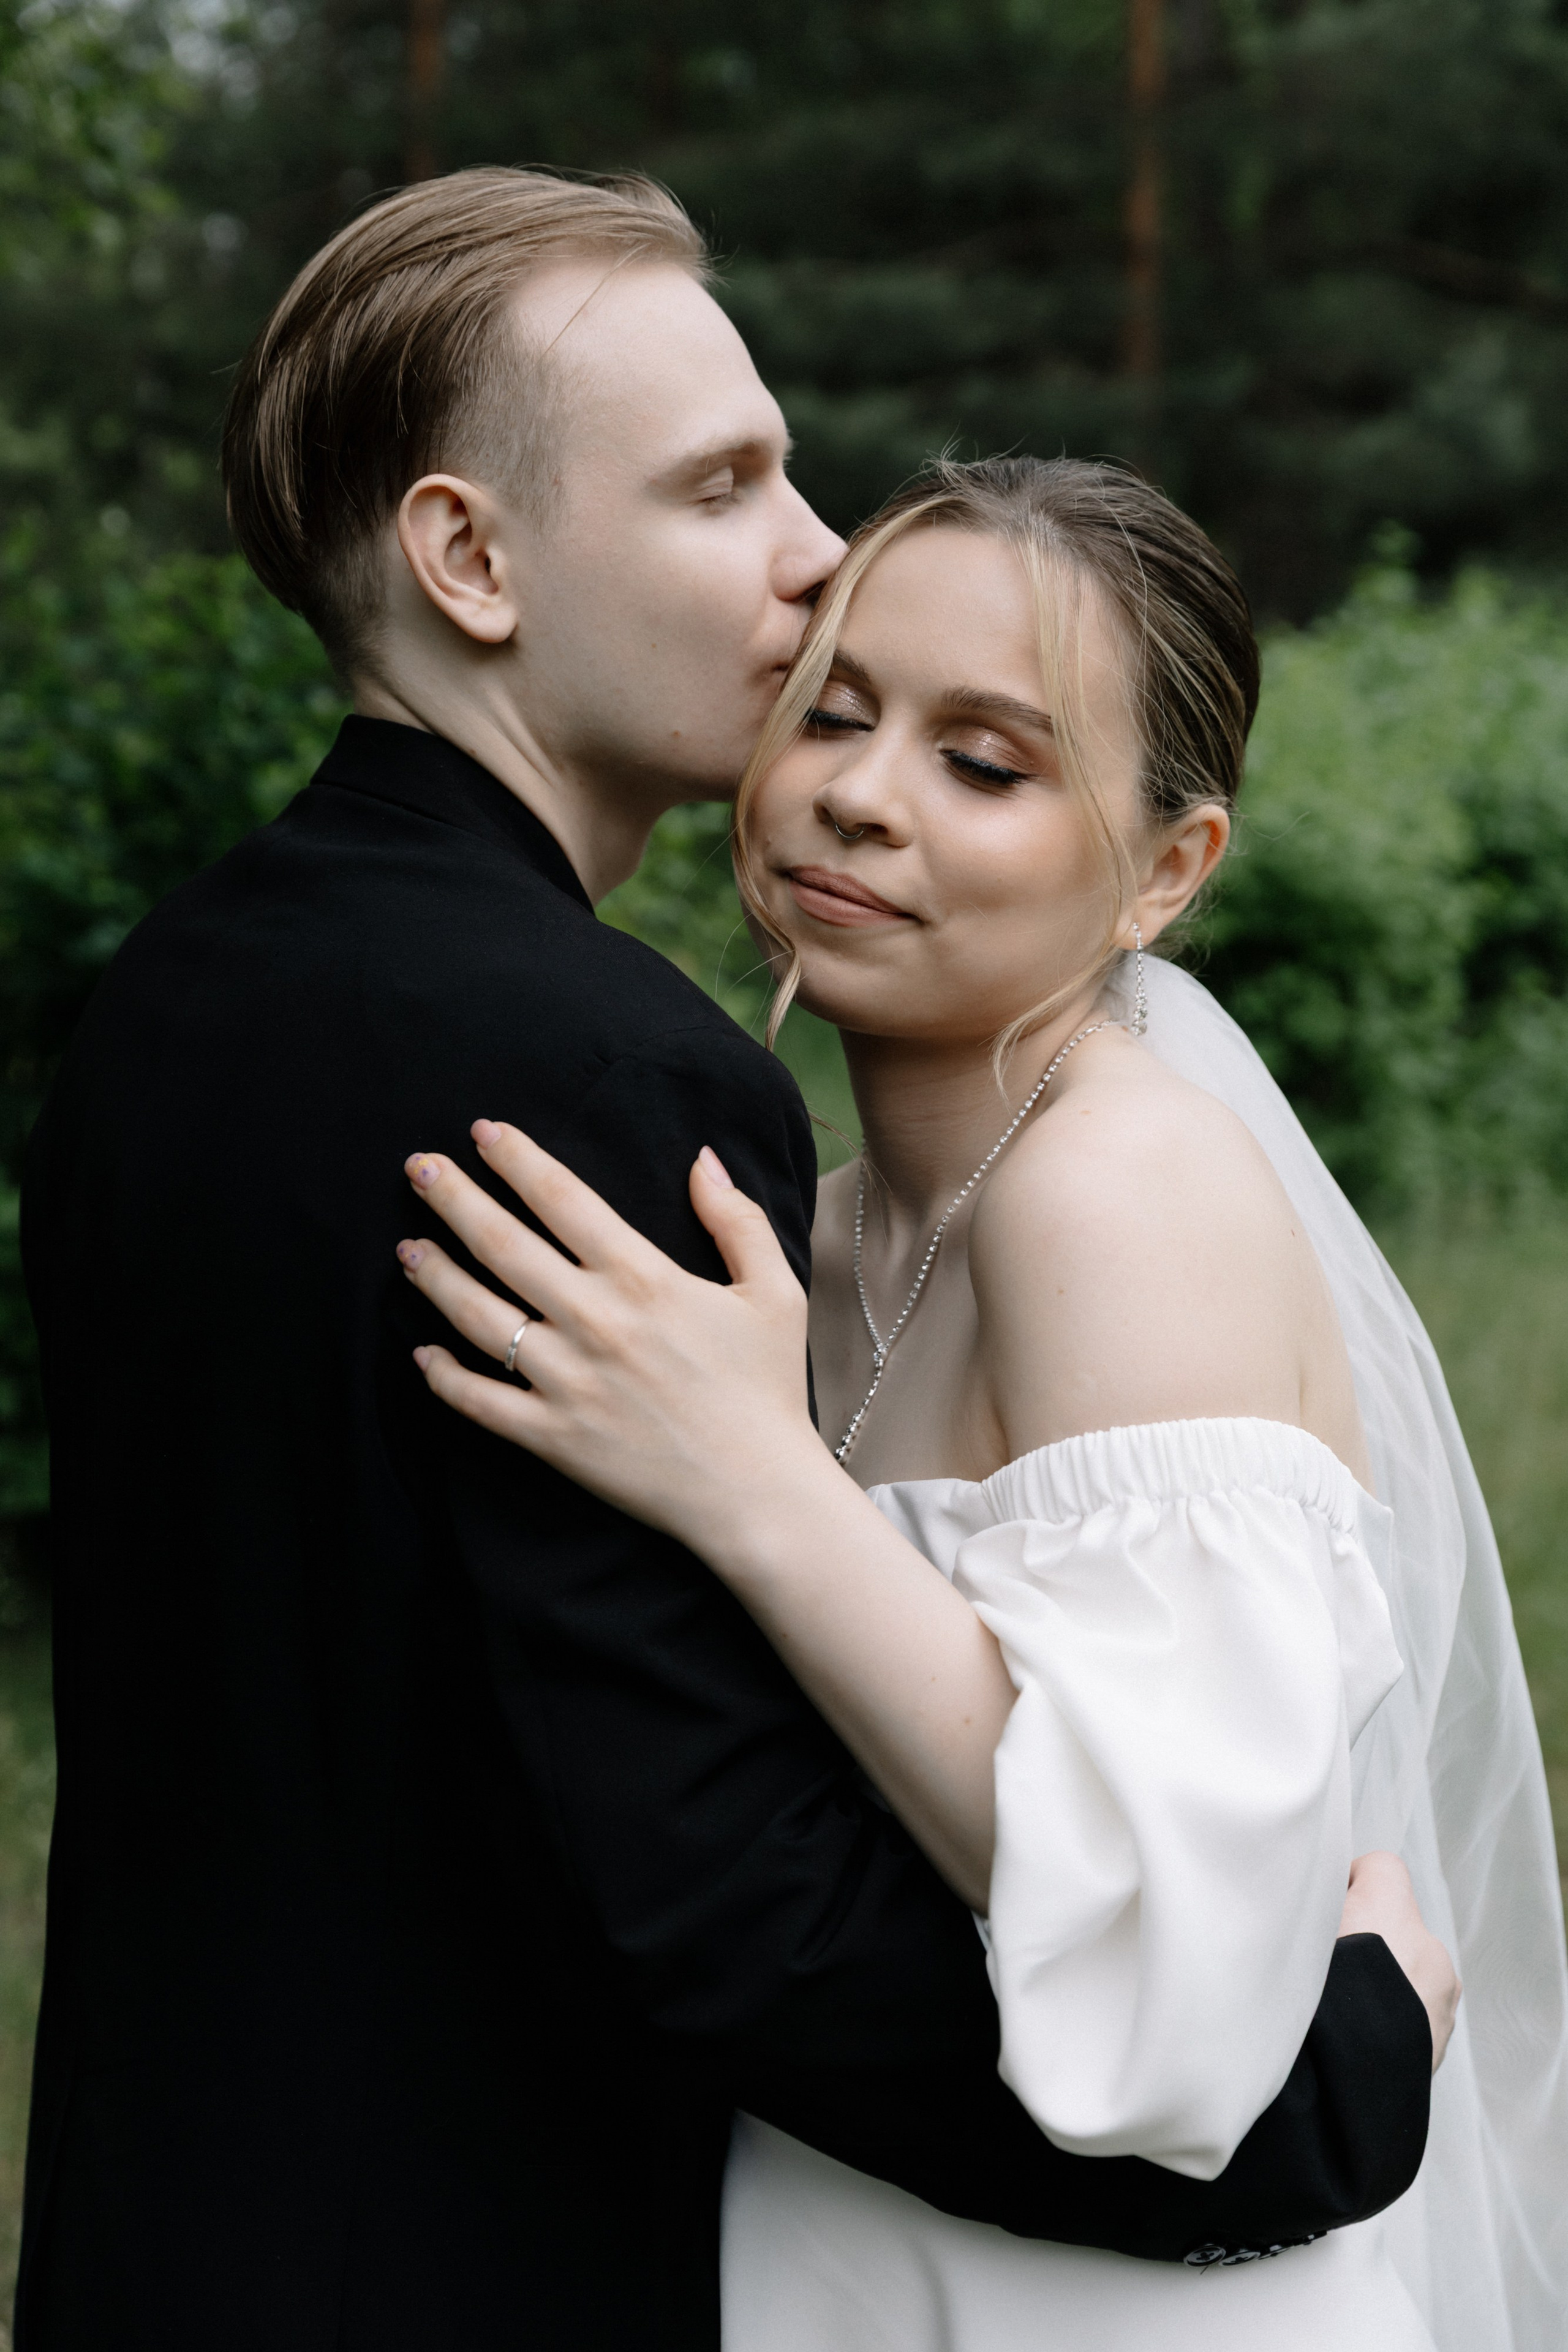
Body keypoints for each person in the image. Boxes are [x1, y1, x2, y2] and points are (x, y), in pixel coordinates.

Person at [17, 175, 1441, 2352]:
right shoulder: (596, 1076)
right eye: (725, 486)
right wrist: (1329, 2103)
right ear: (469, 558)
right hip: (486, 2262)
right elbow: (730, 1904)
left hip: (166, 2224)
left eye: (977, 755)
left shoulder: (165, 1006)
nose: (809, 549)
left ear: (1168, 871)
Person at [395, 455, 1568, 2351]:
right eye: (834, 713)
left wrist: (753, 1486)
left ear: (1169, 872)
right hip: (852, 2241)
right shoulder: (828, 1238)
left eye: (989, 763)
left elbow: (1185, 1981)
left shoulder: (1119, 1197)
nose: (861, 793)